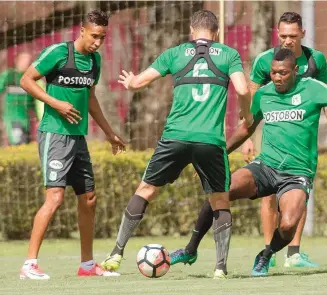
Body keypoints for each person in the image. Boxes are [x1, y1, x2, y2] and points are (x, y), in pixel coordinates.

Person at [171, 48, 327, 276]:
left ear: (295, 71)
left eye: (283, 72)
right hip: (265, 166)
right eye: (273, 72)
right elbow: (246, 128)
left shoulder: (312, 87)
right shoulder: (264, 94)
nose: (278, 77)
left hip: (297, 173)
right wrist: (220, 153)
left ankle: (266, 254)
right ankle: (190, 249)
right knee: (220, 189)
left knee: (289, 224)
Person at [100, 9, 252, 279]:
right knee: (219, 200)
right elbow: (242, 89)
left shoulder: (176, 52)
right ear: (215, 33)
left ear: (192, 31)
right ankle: (220, 268)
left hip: (176, 136)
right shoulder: (229, 54)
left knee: (146, 190)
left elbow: (140, 81)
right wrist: (246, 113)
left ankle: (116, 253)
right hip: (210, 140)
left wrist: (131, 83)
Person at [19, 10, 126, 280]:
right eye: (94, 36)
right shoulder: (58, 53)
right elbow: (26, 80)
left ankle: (87, 265)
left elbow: (90, 99)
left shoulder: (94, 62)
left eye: (102, 38)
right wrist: (55, 104)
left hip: (78, 138)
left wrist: (109, 132)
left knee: (89, 199)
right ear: (81, 31)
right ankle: (29, 264)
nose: (97, 42)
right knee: (55, 198)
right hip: (54, 135)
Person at [0, 52, 38, 145]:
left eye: (28, 61)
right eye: (23, 60)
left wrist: (37, 118)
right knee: (18, 142)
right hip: (12, 117)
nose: (26, 63)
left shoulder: (30, 78)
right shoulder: (8, 75)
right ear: (17, 60)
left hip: (25, 118)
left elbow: (34, 101)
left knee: (25, 143)